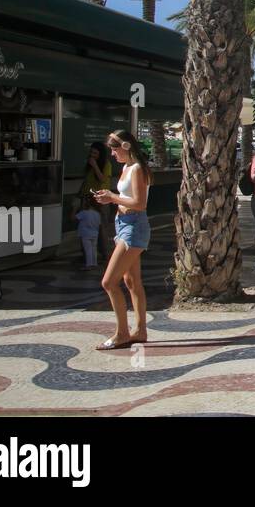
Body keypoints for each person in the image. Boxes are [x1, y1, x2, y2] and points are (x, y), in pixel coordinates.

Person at [91, 130, 150, 351]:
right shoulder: (126, 168)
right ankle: (140, 330)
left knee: (109, 282)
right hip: (124, 225)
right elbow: (128, 200)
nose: (113, 154)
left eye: (115, 149)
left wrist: (112, 197)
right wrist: (112, 200)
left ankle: (122, 333)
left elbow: (139, 203)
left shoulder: (136, 169)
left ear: (125, 147)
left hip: (133, 227)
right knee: (132, 282)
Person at [81, 141, 114, 251]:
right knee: (86, 229)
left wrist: (95, 165)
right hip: (87, 199)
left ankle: (105, 253)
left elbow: (103, 179)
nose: (92, 156)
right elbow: (86, 182)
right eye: (91, 153)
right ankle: (88, 256)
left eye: (95, 153)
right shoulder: (88, 165)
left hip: (101, 200)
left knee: (102, 228)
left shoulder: (106, 164)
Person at [75, 196, 101, 270]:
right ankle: (94, 264)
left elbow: (73, 218)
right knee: (94, 249)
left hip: (86, 233)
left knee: (88, 249)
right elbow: (99, 224)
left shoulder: (84, 213)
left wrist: (74, 208)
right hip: (95, 233)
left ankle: (89, 265)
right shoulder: (97, 214)